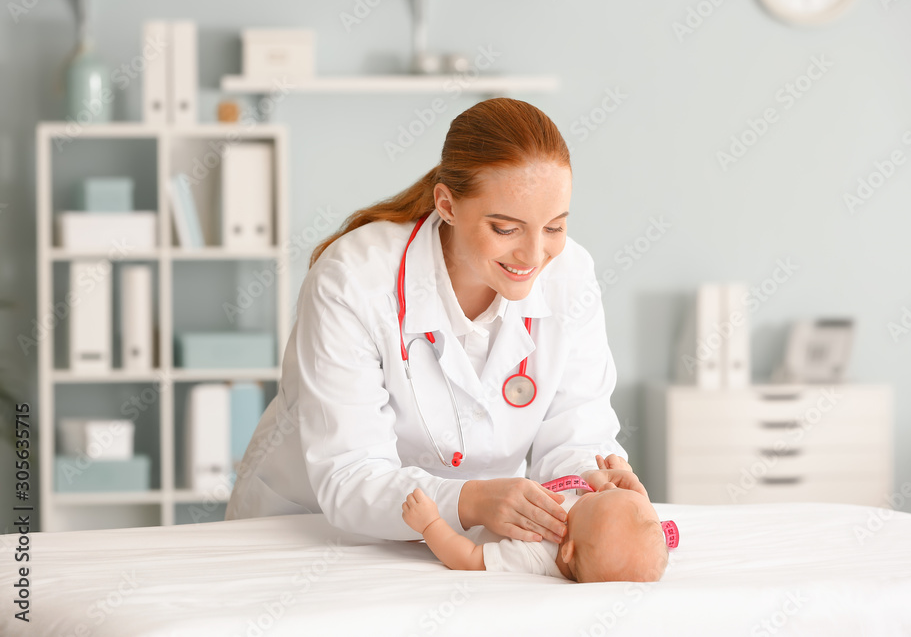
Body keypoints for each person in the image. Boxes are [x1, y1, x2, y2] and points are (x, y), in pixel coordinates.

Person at [225, 97, 645, 545]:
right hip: (312, 531)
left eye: (555, 227)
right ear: (446, 203)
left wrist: (593, 480)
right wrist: (472, 501)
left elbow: (575, 433)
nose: (534, 254)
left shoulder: (571, 275)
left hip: (472, 543)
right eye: (505, 229)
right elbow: (351, 474)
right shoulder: (353, 279)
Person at [402, 454, 670, 582]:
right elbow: (635, 535)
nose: (608, 487)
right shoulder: (587, 529)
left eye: (600, 497)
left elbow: (469, 558)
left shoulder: (533, 553)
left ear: (568, 550)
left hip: (453, 522)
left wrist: (430, 524)